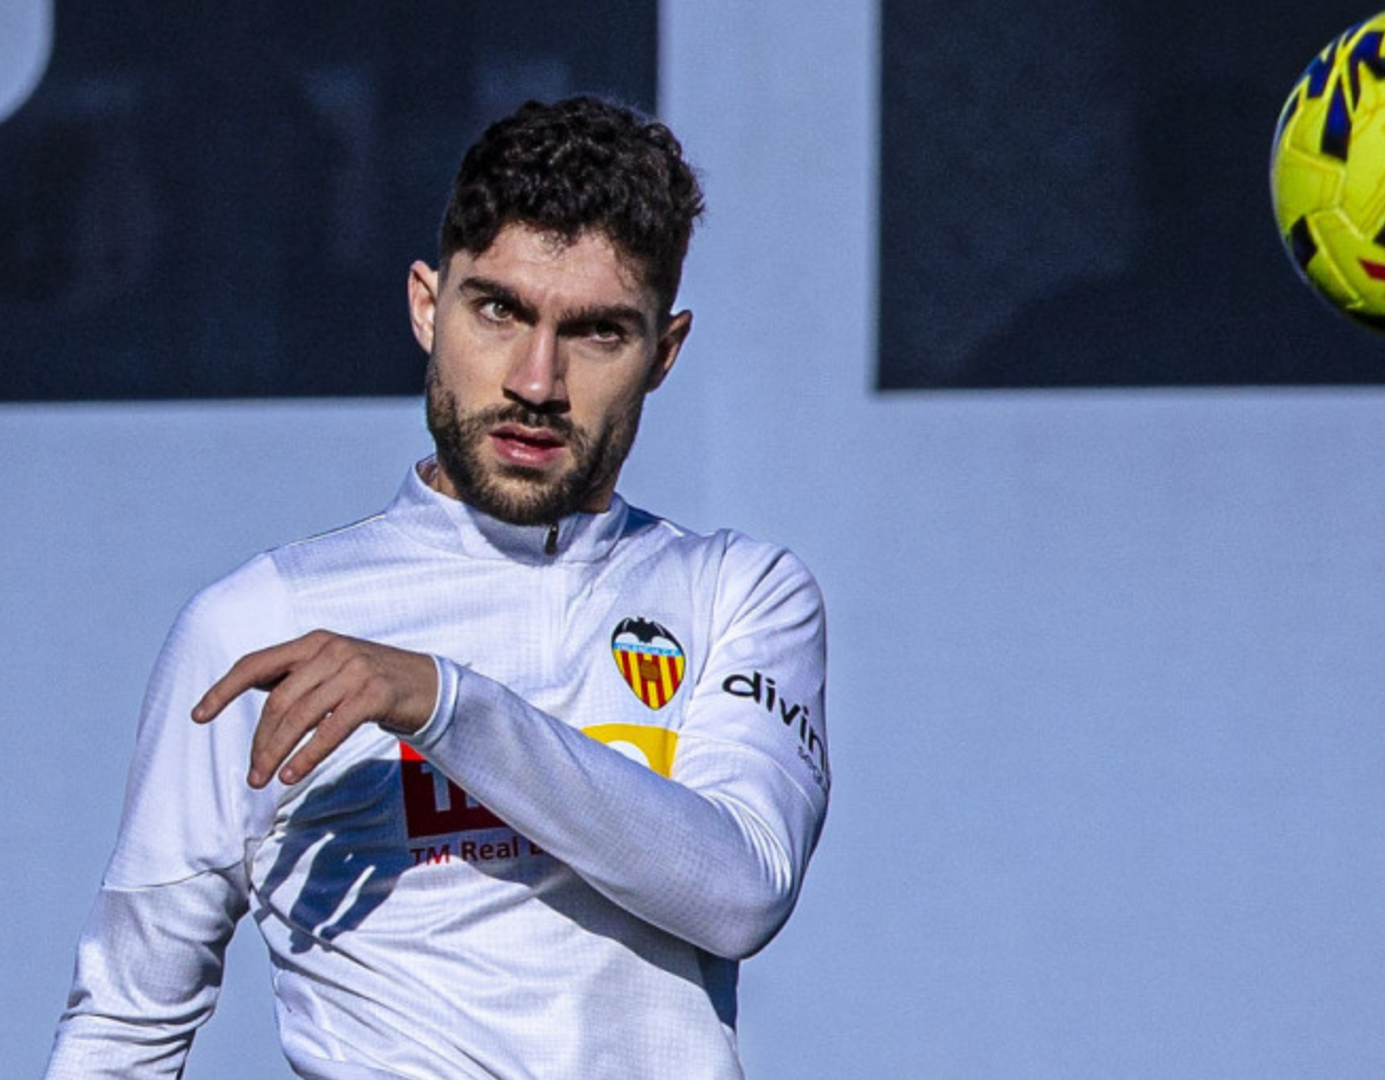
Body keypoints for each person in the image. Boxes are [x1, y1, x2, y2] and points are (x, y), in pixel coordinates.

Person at [44, 95, 830, 1079]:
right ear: (427, 305)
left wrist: (441, 701)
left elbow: (738, 892)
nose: (536, 380)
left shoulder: (738, 593)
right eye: (498, 310)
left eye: (595, 333)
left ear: (663, 354)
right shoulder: (263, 623)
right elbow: (124, 1023)